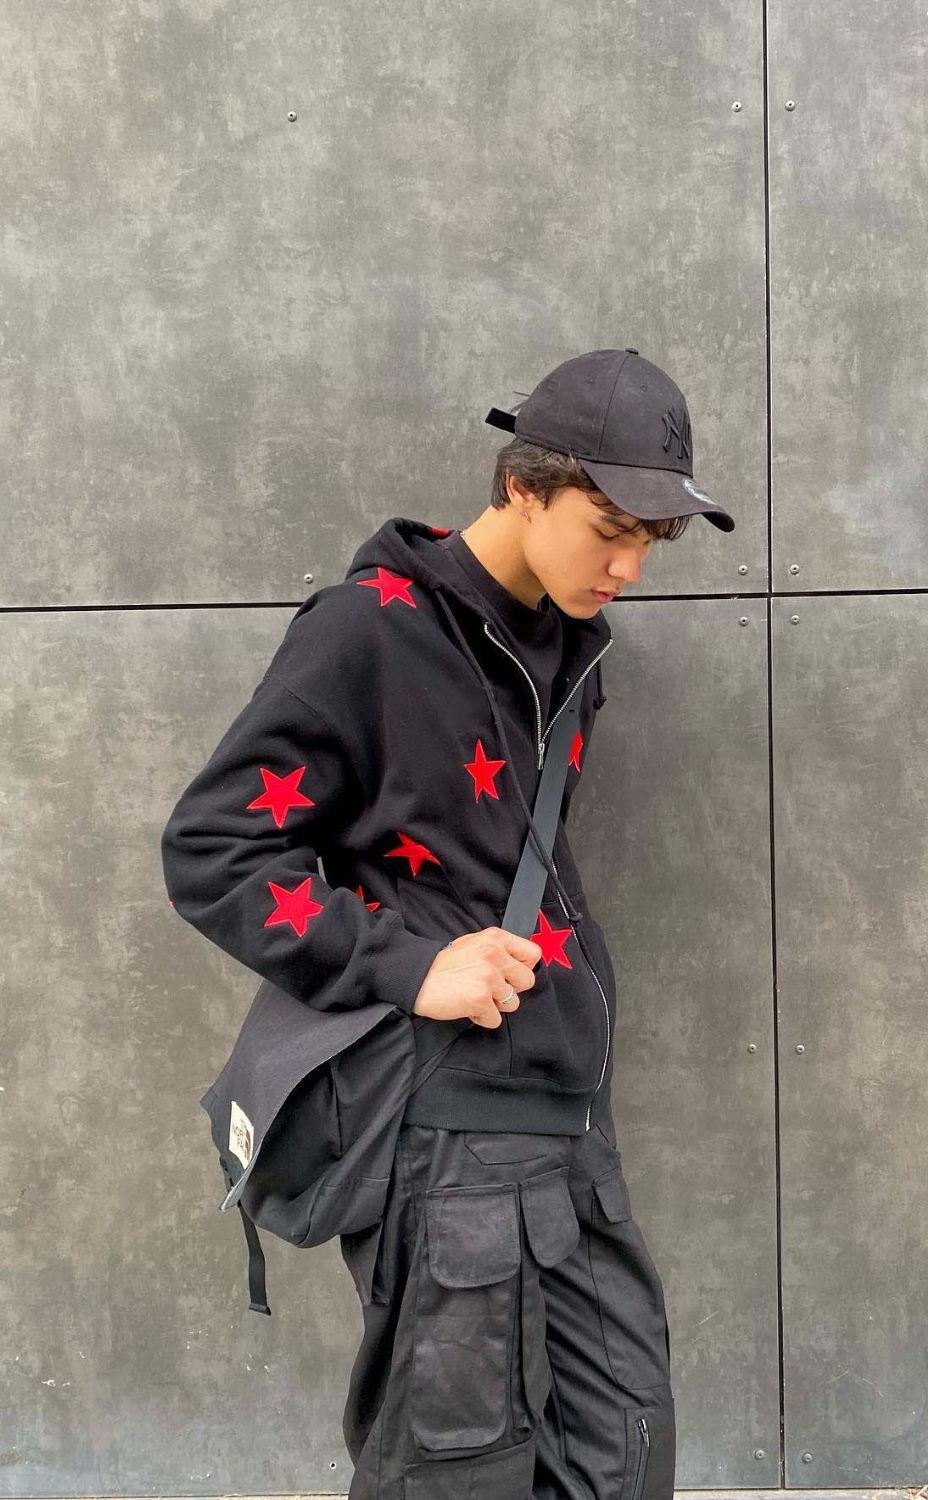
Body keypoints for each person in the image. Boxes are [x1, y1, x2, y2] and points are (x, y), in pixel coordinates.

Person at [161, 347, 734, 1499]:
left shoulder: (568, 649)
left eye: (651, 541)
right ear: (523, 485)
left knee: (623, 1452)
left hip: (567, 1116)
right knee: (456, 1471)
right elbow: (214, 848)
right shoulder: (369, 632)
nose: (628, 566)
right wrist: (411, 965)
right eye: (609, 529)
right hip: (450, 1130)